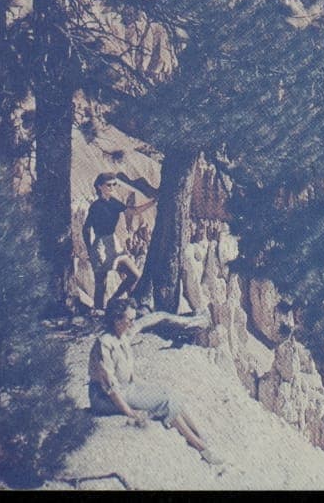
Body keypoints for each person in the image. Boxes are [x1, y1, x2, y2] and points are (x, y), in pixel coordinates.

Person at [88, 298, 222, 465]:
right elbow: (110, 388)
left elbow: (129, 376)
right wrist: (130, 412)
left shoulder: (122, 337)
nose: (133, 323)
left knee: (170, 393)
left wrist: (153, 388)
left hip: (126, 388)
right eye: (129, 320)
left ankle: (199, 434)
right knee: (164, 402)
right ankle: (200, 446)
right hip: (104, 398)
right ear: (116, 320)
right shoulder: (104, 344)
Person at [83, 172, 155, 312]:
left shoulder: (113, 202)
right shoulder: (96, 206)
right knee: (101, 283)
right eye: (108, 185)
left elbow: (133, 212)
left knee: (134, 275)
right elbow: (86, 228)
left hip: (113, 242)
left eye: (114, 184)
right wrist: (90, 250)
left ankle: (114, 299)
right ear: (100, 187)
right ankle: (99, 311)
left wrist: (152, 203)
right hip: (100, 245)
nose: (112, 187)